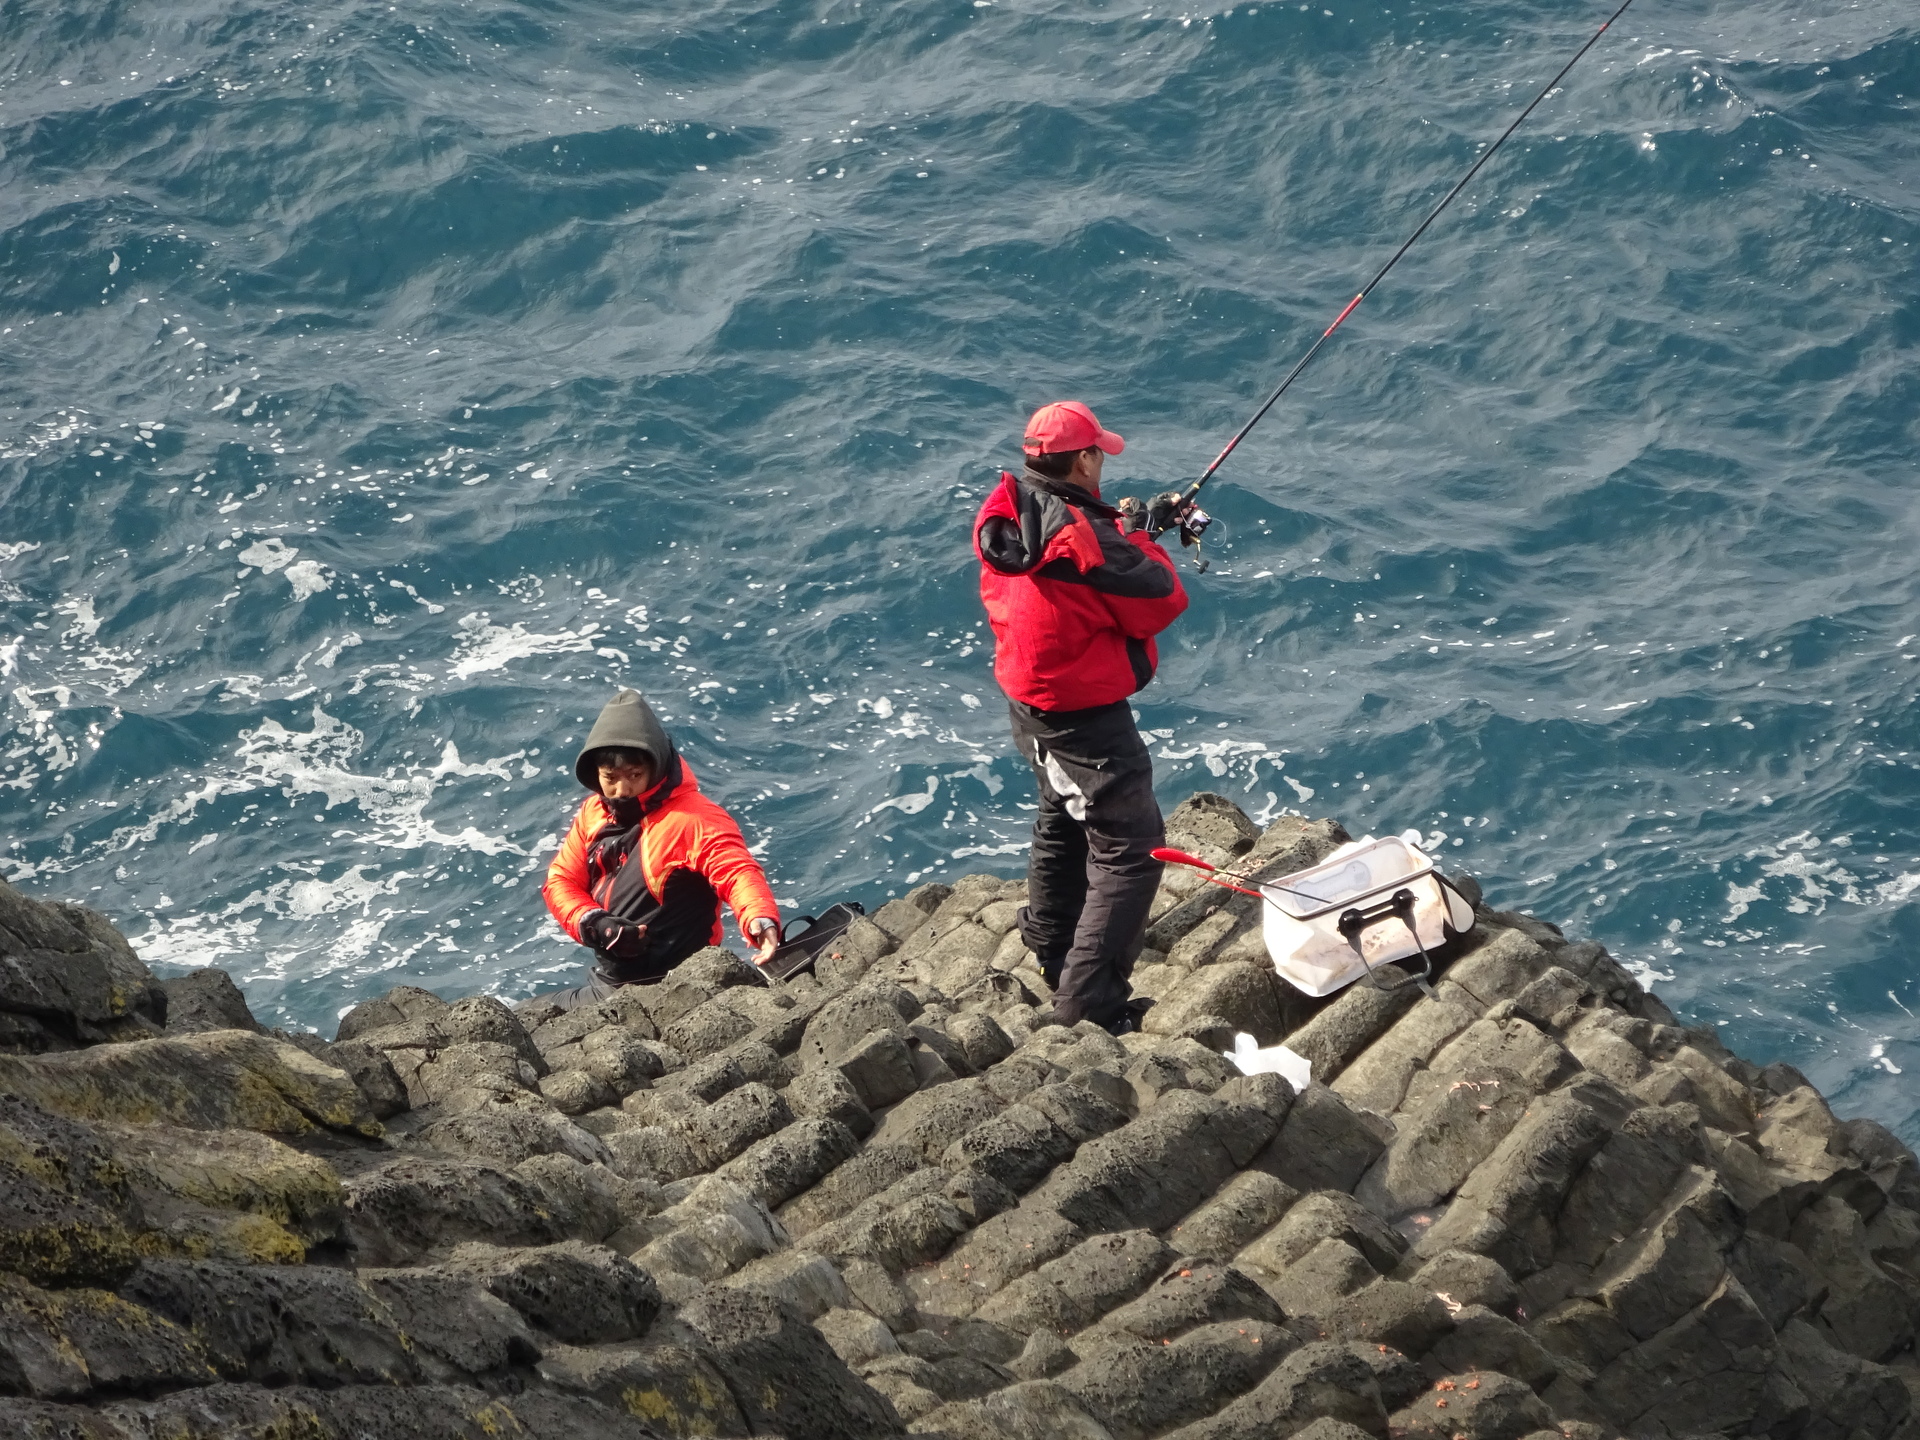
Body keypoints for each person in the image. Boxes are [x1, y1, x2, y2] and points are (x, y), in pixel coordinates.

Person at [972, 400, 1191, 1034]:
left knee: (1063, 814)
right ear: (1085, 458)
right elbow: (1158, 598)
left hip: (1028, 698)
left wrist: (1123, 526)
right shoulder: (1086, 543)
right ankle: (1087, 1008)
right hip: (1081, 714)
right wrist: (1143, 536)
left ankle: (1051, 948)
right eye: (1101, 452)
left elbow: (1083, 549)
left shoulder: (1006, 511)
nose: (1104, 462)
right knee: (1132, 849)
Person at [540, 688, 781, 1008]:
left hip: (681, 985)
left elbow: (736, 869)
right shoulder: (592, 813)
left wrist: (759, 918)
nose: (621, 790)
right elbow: (562, 881)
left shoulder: (692, 818)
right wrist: (596, 923)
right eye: (610, 777)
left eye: (634, 775)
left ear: (656, 767)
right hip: (610, 984)